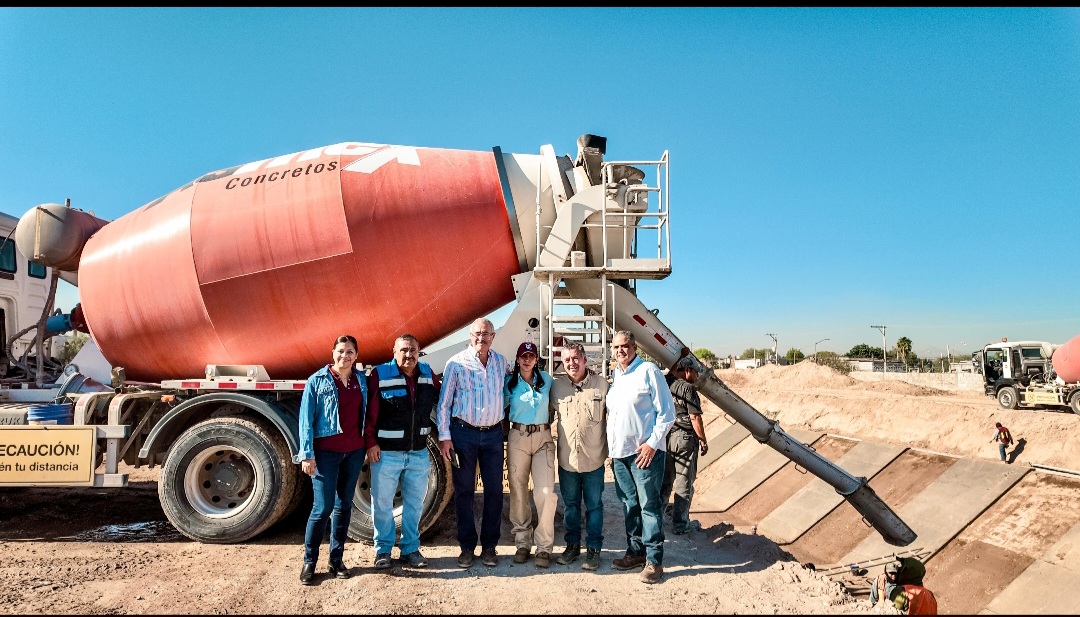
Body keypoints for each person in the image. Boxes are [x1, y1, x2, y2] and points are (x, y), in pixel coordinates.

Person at [436, 318, 509, 569]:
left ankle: (489, 546)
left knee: (495, 491)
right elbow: (444, 404)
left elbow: (507, 391)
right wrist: (445, 437)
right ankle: (467, 547)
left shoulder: (501, 362)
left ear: (493, 336)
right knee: (464, 491)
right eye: (477, 333)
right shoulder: (455, 363)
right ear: (470, 335)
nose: (482, 337)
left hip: (493, 436)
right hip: (463, 434)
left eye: (486, 333)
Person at [295, 334, 368, 585]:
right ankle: (309, 561)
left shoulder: (361, 380)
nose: (344, 356)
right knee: (322, 508)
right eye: (340, 351)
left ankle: (336, 560)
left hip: (354, 451)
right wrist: (307, 454)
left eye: (350, 352)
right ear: (333, 353)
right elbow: (305, 420)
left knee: (344, 505)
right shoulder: (317, 381)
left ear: (356, 356)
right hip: (325, 453)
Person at [605, 330, 676, 584]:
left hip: (644, 455)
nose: (620, 351)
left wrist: (652, 445)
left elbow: (667, 413)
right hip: (620, 455)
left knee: (649, 506)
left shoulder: (649, 371)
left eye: (625, 346)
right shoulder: (616, 376)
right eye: (616, 347)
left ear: (634, 347)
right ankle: (635, 552)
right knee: (630, 505)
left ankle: (654, 561)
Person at [365, 334, 440, 570]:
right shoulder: (380, 375)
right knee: (382, 504)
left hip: (418, 452)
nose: (409, 355)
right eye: (404, 350)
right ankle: (383, 550)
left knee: (414, 505)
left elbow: (444, 399)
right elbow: (369, 412)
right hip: (387, 454)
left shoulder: (427, 373)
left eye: (413, 350)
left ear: (419, 351)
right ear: (394, 352)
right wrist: (370, 442)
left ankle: (410, 549)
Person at [550, 342, 609, 571]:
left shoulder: (601, 385)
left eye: (576, 358)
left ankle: (593, 549)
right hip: (568, 462)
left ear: (584, 360)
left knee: (594, 506)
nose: (572, 363)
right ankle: (572, 546)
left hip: (594, 460)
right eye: (567, 360)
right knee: (571, 507)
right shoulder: (556, 388)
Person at [503, 341, 556, 568]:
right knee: (518, 490)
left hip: (543, 437)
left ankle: (544, 546)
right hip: (518, 436)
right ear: (517, 359)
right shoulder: (509, 383)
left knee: (545, 492)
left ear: (536, 359)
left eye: (530, 356)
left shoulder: (547, 380)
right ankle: (522, 542)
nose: (527, 360)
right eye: (523, 356)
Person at [660, 356, 709, 535]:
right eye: (695, 373)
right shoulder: (688, 388)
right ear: (688, 370)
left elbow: (671, 371)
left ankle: (656, 519)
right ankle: (680, 524)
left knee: (666, 481)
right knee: (684, 481)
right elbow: (695, 417)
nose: (696, 377)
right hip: (685, 439)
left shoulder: (667, 383)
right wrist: (703, 439)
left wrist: (681, 356)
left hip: (667, 438)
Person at [870, 557, 936, 615]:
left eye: (898, 572)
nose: (894, 575)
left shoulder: (901, 591)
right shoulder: (929, 594)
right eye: (891, 573)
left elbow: (893, 611)